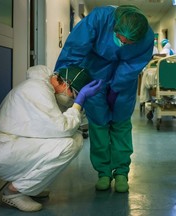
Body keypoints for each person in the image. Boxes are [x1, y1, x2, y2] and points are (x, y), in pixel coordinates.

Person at [54, 5, 154, 193]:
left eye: (129, 43)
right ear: (115, 27)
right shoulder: (100, 18)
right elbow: (75, 47)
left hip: (124, 80)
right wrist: (65, 76)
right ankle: (104, 172)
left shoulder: (146, 36)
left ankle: (122, 172)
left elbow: (132, 65)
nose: (123, 43)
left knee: (121, 122)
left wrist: (116, 87)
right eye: (120, 39)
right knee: (98, 123)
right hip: (93, 72)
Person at [0, 65, 102, 212]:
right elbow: (62, 128)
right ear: (65, 83)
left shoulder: (45, 89)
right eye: (73, 95)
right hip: (1, 152)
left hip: (11, 145)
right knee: (69, 144)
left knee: (75, 138)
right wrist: (78, 104)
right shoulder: (37, 90)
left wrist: (78, 104)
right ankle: (14, 192)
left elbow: (64, 123)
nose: (71, 99)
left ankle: (28, 187)